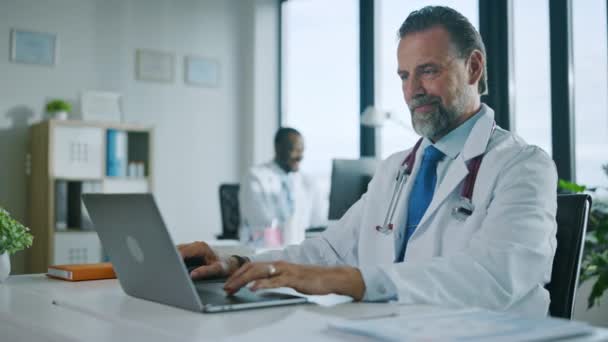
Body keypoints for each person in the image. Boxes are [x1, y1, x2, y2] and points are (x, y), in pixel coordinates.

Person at [179, 6, 557, 316]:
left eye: (428, 71)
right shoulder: (396, 169)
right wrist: (238, 263)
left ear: (473, 67)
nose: (412, 91)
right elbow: (328, 251)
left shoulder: (523, 167)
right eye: (404, 76)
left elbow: (495, 278)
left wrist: (353, 281)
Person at [238, 127, 327, 246]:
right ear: (278, 147)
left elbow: (318, 221)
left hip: (298, 251)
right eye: (294, 150)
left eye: (302, 150)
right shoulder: (255, 177)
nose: (300, 156)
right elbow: (260, 222)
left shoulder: (307, 182)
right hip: (264, 249)